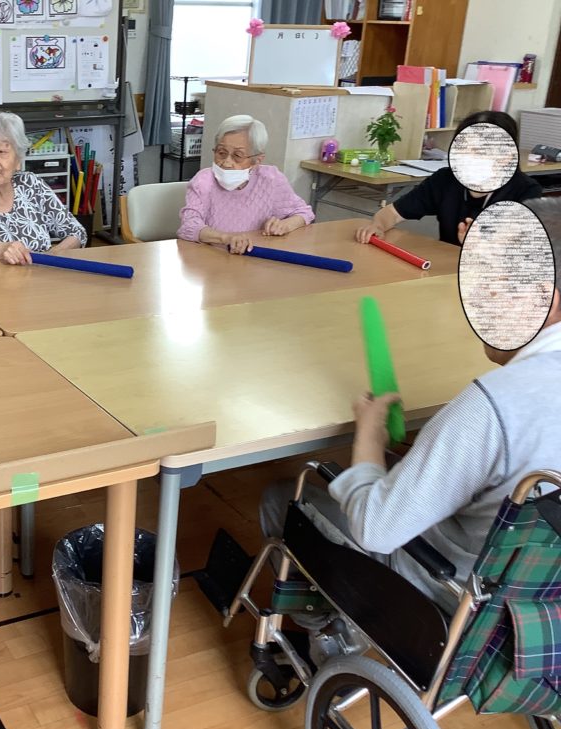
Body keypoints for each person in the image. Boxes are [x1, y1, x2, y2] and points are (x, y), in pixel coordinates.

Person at [262, 196, 561, 630]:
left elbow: (376, 528)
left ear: (542, 299)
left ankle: (330, 636)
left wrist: (368, 441)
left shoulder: (492, 406)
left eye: (491, 286)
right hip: (542, 609)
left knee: (280, 498)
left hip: (463, 599)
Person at [355, 110, 542, 247]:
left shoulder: (525, 191)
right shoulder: (445, 179)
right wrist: (378, 226)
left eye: (478, 151)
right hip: (445, 270)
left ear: (506, 157)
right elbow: (393, 213)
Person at [0, 112, 86, 264]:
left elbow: (77, 232)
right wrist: (0, 249)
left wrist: (53, 255)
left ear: (18, 160)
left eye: (2, 151)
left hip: (40, 274)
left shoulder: (31, 184)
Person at [176, 114, 315, 254]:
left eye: (237, 156)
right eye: (221, 153)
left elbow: (304, 212)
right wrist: (226, 238)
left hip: (256, 256)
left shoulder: (270, 179)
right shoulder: (203, 181)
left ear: (257, 160)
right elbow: (189, 227)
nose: (226, 163)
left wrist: (285, 225)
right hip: (213, 256)